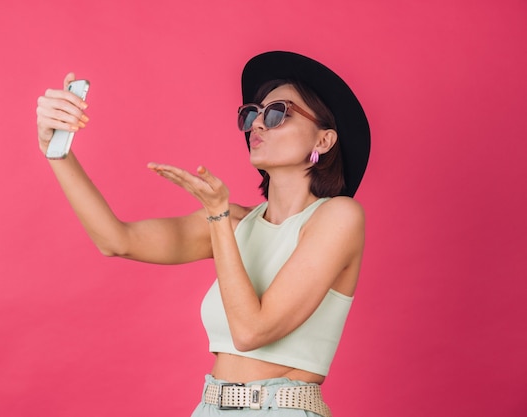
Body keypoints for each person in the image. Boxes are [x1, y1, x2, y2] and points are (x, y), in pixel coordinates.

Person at [36, 51, 370, 417]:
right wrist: (58, 153)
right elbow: (116, 240)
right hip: (210, 407)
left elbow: (251, 332)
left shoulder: (338, 216)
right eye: (251, 114)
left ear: (323, 141)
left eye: (278, 113)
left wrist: (217, 214)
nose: (257, 124)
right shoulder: (232, 222)